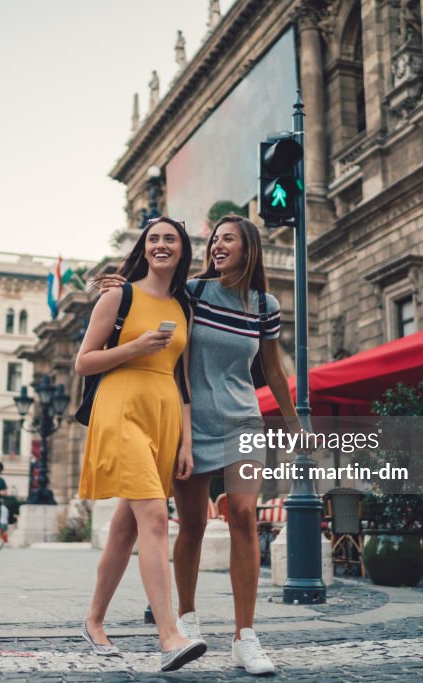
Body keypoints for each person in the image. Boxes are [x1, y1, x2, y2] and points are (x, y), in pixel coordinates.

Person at [100, 215, 302, 674]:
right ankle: (188, 619)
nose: (216, 245)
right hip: (190, 424)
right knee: (190, 525)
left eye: (226, 238)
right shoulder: (192, 293)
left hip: (244, 421)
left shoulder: (265, 305)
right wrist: (121, 284)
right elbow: (152, 304)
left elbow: (271, 370)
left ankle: (244, 637)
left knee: (245, 516)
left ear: (248, 246)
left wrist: (292, 423)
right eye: (213, 239)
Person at [78, 216, 206, 673]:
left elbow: (184, 379)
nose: (161, 245)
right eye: (153, 239)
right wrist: (137, 347)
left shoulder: (184, 305)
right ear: (144, 248)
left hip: (164, 418)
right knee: (153, 516)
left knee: (126, 527)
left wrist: (187, 443)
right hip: (120, 410)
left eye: (170, 239)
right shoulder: (120, 294)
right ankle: (169, 635)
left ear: (182, 249)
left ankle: (93, 621)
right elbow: (84, 363)